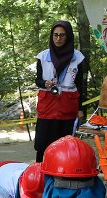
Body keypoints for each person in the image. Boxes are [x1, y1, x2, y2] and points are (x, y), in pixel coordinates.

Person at [34, 20, 86, 162]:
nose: (58, 38)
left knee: (65, 145)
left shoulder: (78, 58)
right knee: (43, 143)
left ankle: (64, 173)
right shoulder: (43, 57)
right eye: (55, 35)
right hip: (47, 106)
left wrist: (81, 108)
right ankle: (40, 173)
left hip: (67, 107)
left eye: (62, 35)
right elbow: (37, 80)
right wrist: (44, 83)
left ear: (68, 36)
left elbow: (80, 85)